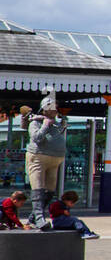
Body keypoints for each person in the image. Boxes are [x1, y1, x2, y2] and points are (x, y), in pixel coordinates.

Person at [23, 95, 68, 231]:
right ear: (44, 109)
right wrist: (44, 125)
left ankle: (33, 218)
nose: (54, 109)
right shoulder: (35, 123)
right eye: (50, 107)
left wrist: (61, 125)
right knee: (38, 188)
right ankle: (39, 218)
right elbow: (36, 137)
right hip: (38, 158)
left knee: (49, 191)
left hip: (55, 161)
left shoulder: (55, 123)